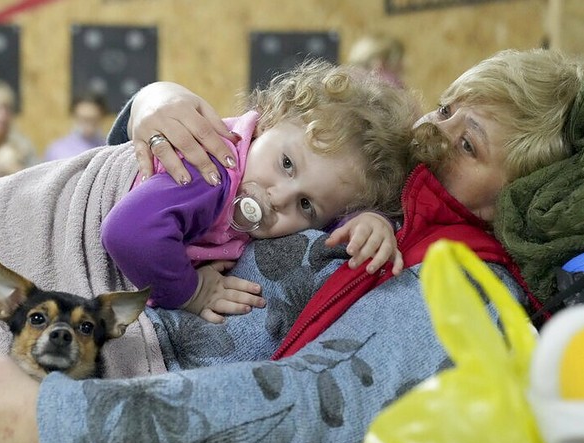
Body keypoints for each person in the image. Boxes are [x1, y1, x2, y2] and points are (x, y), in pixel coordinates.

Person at [0, 48, 584, 443]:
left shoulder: (455, 284)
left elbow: (296, 407)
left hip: (46, 406)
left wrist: (48, 416)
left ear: (527, 193)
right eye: (444, 104)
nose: (429, 132)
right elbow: (187, 177)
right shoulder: (391, 191)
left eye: (466, 140)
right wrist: (155, 106)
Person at [102, 59, 418, 322]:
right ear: (267, 122)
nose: (279, 197)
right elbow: (127, 233)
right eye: (287, 164)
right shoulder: (214, 172)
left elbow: (335, 217)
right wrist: (193, 291)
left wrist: (371, 221)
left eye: (305, 205)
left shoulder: (264, 170)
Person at [43, 91, 109, 161]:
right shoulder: (56, 150)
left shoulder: (108, 149)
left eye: (93, 120)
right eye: (83, 119)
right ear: (73, 116)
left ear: (102, 117)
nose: (88, 126)